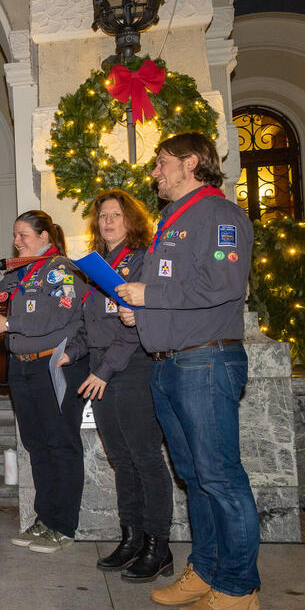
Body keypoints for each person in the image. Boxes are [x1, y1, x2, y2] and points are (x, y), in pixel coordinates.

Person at [116, 132, 259, 610]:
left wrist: (147, 293)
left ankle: (239, 587)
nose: (154, 172)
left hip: (205, 363)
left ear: (191, 163)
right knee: (195, 478)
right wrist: (143, 312)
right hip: (172, 362)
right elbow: (176, 291)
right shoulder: (175, 221)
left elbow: (223, 283)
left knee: (221, 478)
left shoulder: (219, 216)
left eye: (162, 163)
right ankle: (207, 569)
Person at [0, 210, 90, 554]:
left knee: (60, 444)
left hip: (54, 366)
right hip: (20, 367)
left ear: (45, 238)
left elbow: (60, 311)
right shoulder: (17, 274)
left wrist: (7, 326)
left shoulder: (62, 270)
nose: (18, 241)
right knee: (36, 445)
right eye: (16, 235)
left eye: (24, 235)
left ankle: (63, 524)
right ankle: (45, 518)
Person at [72, 190, 173, 581]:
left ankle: (157, 547)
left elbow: (136, 327)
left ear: (131, 220)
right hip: (101, 369)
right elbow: (88, 324)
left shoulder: (142, 260)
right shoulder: (95, 268)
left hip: (131, 367)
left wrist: (106, 369)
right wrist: (76, 354)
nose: (108, 222)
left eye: (116, 215)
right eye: (102, 216)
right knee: (121, 458)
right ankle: (131, 538)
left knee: (145, 457)